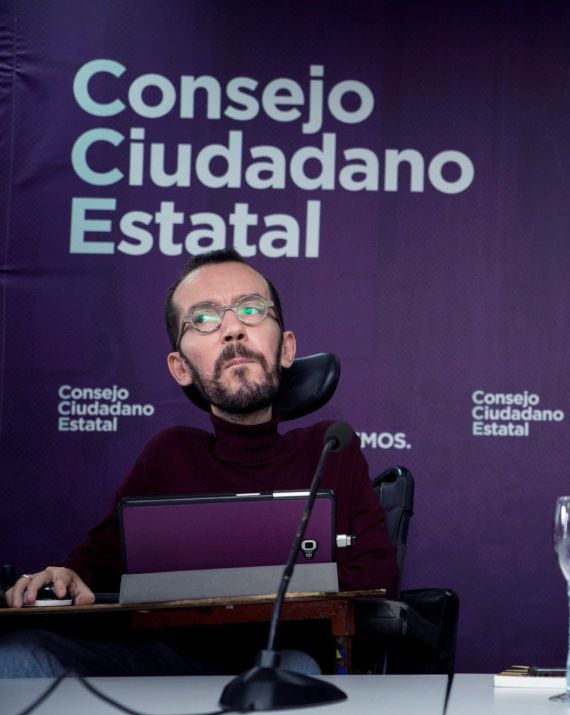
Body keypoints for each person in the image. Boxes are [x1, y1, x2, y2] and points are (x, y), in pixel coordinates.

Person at [1, 249, 399, 676]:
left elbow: (379, 579)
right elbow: (90, 570)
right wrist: (62, 577)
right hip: (166, 662)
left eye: (251, 310)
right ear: (180, 368)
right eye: (205, 319)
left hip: (284, 661)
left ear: (286, 349)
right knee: (19, 658)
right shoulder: (169, 455)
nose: (232, 331)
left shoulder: (330, 450)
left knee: (292, 671)